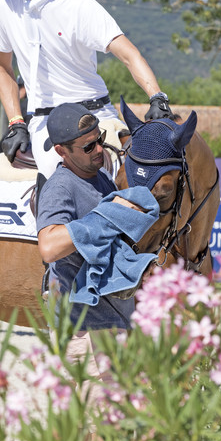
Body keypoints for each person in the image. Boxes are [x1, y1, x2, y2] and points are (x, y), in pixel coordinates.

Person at [0, 0, 173, 177]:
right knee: (47, 176)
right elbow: (2, 67)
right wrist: (16, 122)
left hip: (94, 116)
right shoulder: (3, 5)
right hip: (44, 122)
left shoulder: (76, 3)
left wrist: (157, 97)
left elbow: (129, 54)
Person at [36, 102, 158, 408]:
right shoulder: (60, 186)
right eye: (89, 145)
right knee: (99, 432)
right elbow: (49, 246)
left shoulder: (100, 176)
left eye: (100, 139)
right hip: (85, 330)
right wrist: (109, 215)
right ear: (62, 151)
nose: (99, 149)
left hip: (112, 323)